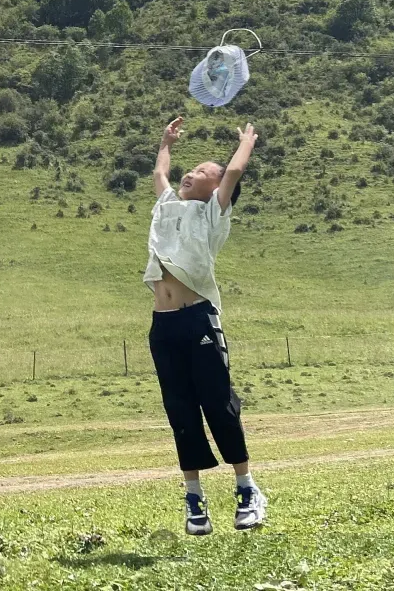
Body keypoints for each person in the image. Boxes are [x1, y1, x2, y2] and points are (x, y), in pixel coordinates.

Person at [146, 116, 266, 536]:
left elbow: (233, 172)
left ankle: (247, 489)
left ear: (215, 190)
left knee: (217, 403)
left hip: (198, 318)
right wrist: (166, 142)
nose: (190, 173)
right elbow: (160, 174)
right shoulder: (168, 206)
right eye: (191, 168)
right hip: (163, 326)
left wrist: (246, 141)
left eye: (201, 172)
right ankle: (194, 499)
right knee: (180, 410)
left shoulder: (213, 214)